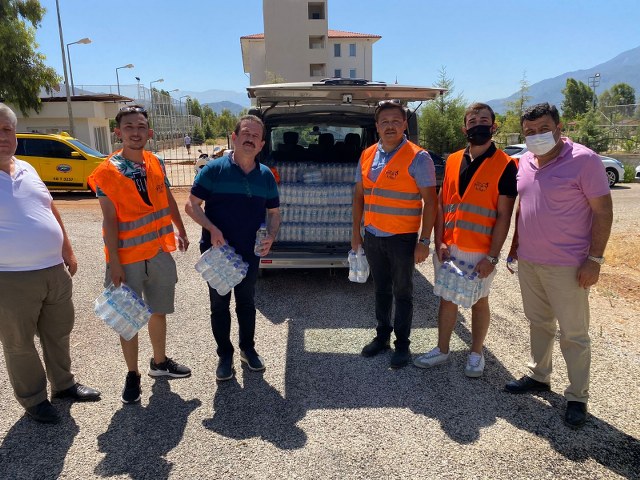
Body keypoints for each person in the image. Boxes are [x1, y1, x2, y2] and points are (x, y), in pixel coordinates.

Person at [504, 103, 613, 429]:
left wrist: (594, 260)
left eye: (543, 129)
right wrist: (516, 246)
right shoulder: (525, 161)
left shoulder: (585, 160)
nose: (536, 135)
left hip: (568, 266)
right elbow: (526, 205)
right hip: (530, 262)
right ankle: (540, 376)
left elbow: (603, 211)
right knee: (539, 323)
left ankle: (577, 397)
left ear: (559, 127)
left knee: (574, 334)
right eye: (530, 131)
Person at [0, 103, 100, 423]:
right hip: (10, 277)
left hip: (53, 270)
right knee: (19, 343)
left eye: (6, 130)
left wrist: (67, 250)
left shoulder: (27, 167)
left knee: (58, 332)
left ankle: (64, 385)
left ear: (15, 134)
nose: (2, 137)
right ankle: (34, 399)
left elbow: (49, 207)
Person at [88, 105, 191, 405]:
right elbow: (110, 221)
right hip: (127, 257)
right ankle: (132, 374)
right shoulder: (106, 172)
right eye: (129, 127)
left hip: (158, 251)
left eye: (141, 126)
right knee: (128, 318)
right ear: (118, 132)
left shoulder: (155, 162)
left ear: (150, 132)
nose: (136, 132)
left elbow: (167, 197)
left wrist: (181, 228)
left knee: (159, 310)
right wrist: (115, 262)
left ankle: (159, 363)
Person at [414, 102, 517, 377]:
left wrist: (492, 257)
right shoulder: (452, 160)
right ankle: (442, 349)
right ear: (464, 128)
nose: (478, 125)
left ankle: (476, 354)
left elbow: (504, 215)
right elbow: (442, 203)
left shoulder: (506, 165)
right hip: (449, 247)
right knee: (447, 299)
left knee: (479, 301)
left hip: (480, 251)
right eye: (472, 121)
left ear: (494, 127)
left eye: (484, 120)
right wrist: (439, 241)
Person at [185, 115, 280, 381]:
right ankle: (224, 355)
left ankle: (247, 349)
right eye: (246, 134)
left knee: (247, 303)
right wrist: (212, 229)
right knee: (219, 305)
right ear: (235, 137)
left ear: (262, 145)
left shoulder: (266, 176)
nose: (250, 139)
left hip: (250, 252)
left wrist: (271, 236)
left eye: (256, 136)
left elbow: (274, 213)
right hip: (219, 253)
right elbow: (191, 205)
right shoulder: (213, 170)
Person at [352, 100, 437, 369]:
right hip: (373, 235)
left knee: (403, 292)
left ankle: (402, 345)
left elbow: (431, 202)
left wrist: (424, 241)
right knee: (381, 289)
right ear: (377, 126)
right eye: (385, 122)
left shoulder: (419, 158)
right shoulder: (367, 155)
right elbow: (359, 196)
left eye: (396, 121)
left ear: (404, 125)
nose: (390, 126)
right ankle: (382, 337)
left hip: (402, 238)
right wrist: (356, 234)